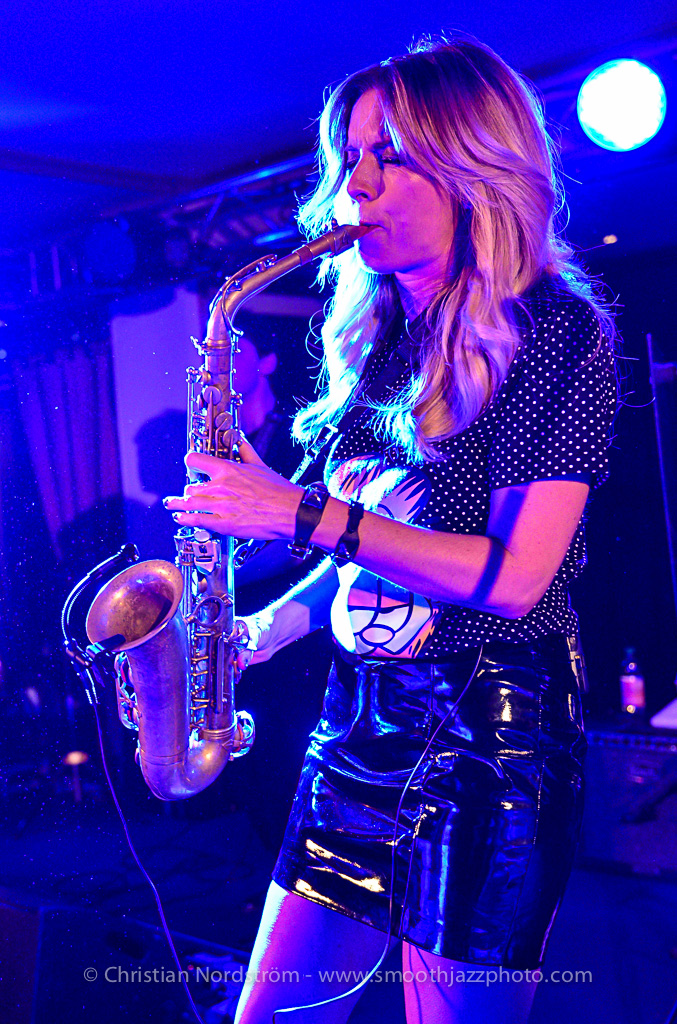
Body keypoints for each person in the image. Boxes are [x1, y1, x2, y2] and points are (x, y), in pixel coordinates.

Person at [166, 35, 617, 1024]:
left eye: (390, 157)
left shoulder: (554, 330)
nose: (353, 186)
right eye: (348, 158)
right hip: (355, 730)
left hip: (489, 744)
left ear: (472, 171)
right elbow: (365, 554)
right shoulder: (377, 341)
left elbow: (515, 579)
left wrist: (298, 510)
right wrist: (257, 632)